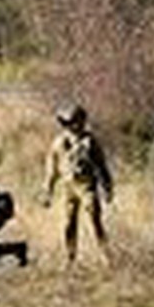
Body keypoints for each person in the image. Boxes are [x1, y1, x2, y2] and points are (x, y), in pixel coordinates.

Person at [41, 103, 115, 266]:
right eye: (69, 123)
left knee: (95, 219)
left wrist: (107, 187)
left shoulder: (90, 141)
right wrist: (47, 191)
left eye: (75, 121)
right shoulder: (59, 143)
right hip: (68, 187)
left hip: (86, 185)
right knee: (68, 223)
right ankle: (70, 257)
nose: (73, 126)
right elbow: (51, 170)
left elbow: (101, 165)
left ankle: (106, 255)